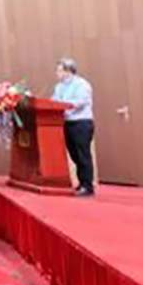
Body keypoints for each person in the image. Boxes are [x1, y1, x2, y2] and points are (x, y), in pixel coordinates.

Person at [52, 56, 95, 196]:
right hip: (67, 123)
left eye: (59, 70)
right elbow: (54, 101)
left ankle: (87, 186)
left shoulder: (82, 84)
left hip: (81, 123)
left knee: (83, 155)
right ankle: (81, 182)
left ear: (68, 71)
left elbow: (81, 102)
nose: (56, 73)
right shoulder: (59, 87)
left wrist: (64, 106)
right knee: (74, 154)